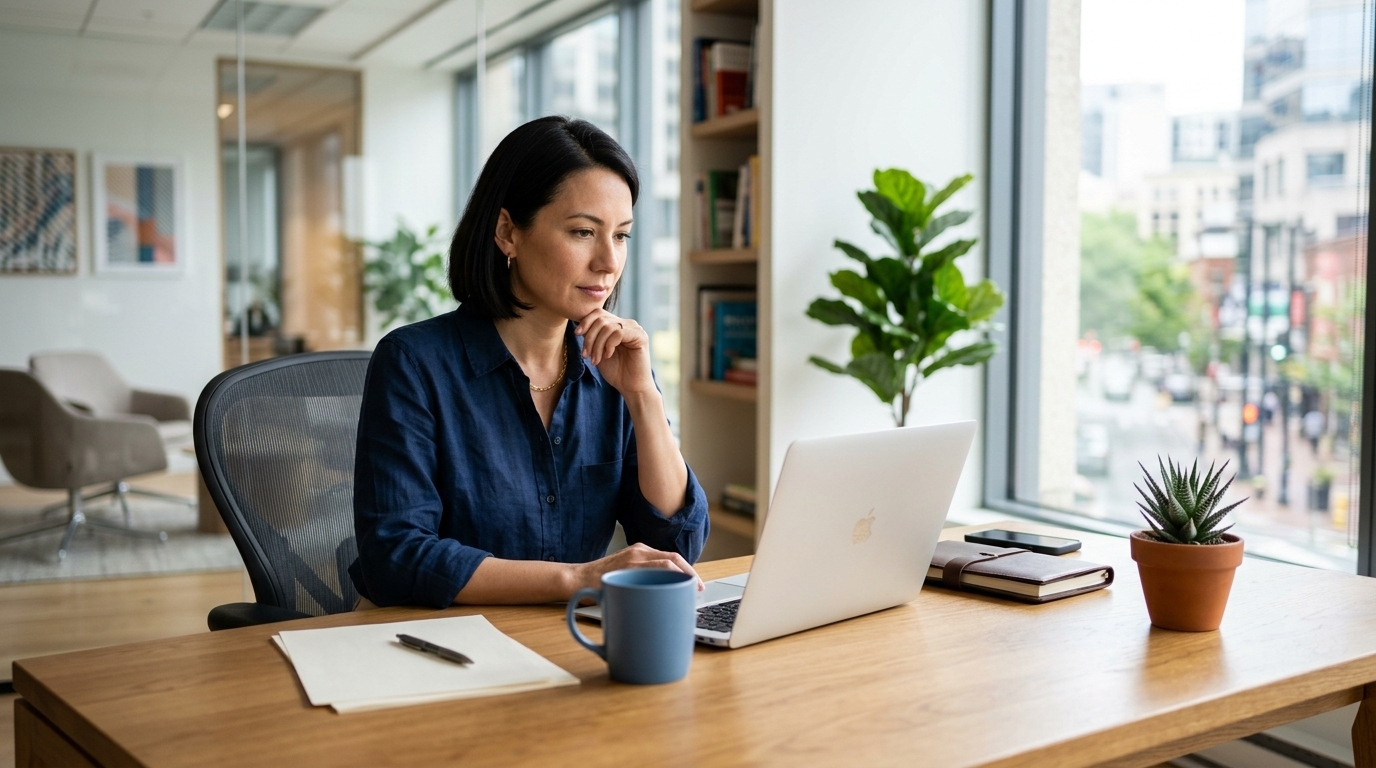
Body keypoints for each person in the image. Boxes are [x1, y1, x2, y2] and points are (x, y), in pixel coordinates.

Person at [348, 116, 709, 608]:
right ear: (507, 233)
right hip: (432, 643)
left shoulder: (611, 367)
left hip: (566, 640)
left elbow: (677, 546)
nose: (608, 261)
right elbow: (396, 556)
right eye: (584, 232)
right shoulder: (413, 364)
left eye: (621, 236)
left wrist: (642, 396)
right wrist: (577, 578)